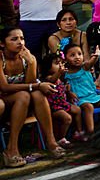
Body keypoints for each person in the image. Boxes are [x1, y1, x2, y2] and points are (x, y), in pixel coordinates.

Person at [0, 26, 64, 167]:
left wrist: (31, 63)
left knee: (36, 94)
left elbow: (30, 85)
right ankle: (11, 149)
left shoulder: (27, 57)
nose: (20, 42)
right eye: (14, 39)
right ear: (2, 43)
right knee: (27, 93)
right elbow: (4, 87)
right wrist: (36, 85)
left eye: (22, 38)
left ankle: (51, 142)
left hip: (22, 104)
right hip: (3, 102)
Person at [64, 43, 100, 125]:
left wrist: (96, 56)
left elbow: (91, 62)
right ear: (65, 58)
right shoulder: (65, 73)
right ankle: (90, 132)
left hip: (93, 96)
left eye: (79, 54)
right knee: (89, 107)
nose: (77, 57)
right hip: (80, 100)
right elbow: (64, 87)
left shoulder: (85, 67)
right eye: (72, 55)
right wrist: (69, 92)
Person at [40, 51, 80, 145]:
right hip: (54, 107)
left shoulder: (60, 78)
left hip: (63, 104)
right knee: (67, 118)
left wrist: (69, 92)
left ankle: (79, 131)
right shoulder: (48, 78)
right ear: (48, 66)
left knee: (77, 110)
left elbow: (62, 89)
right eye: (57, 63)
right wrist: (59, 72)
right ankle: (60, 138)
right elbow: (52, 81)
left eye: (61, 63)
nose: (60, 65)